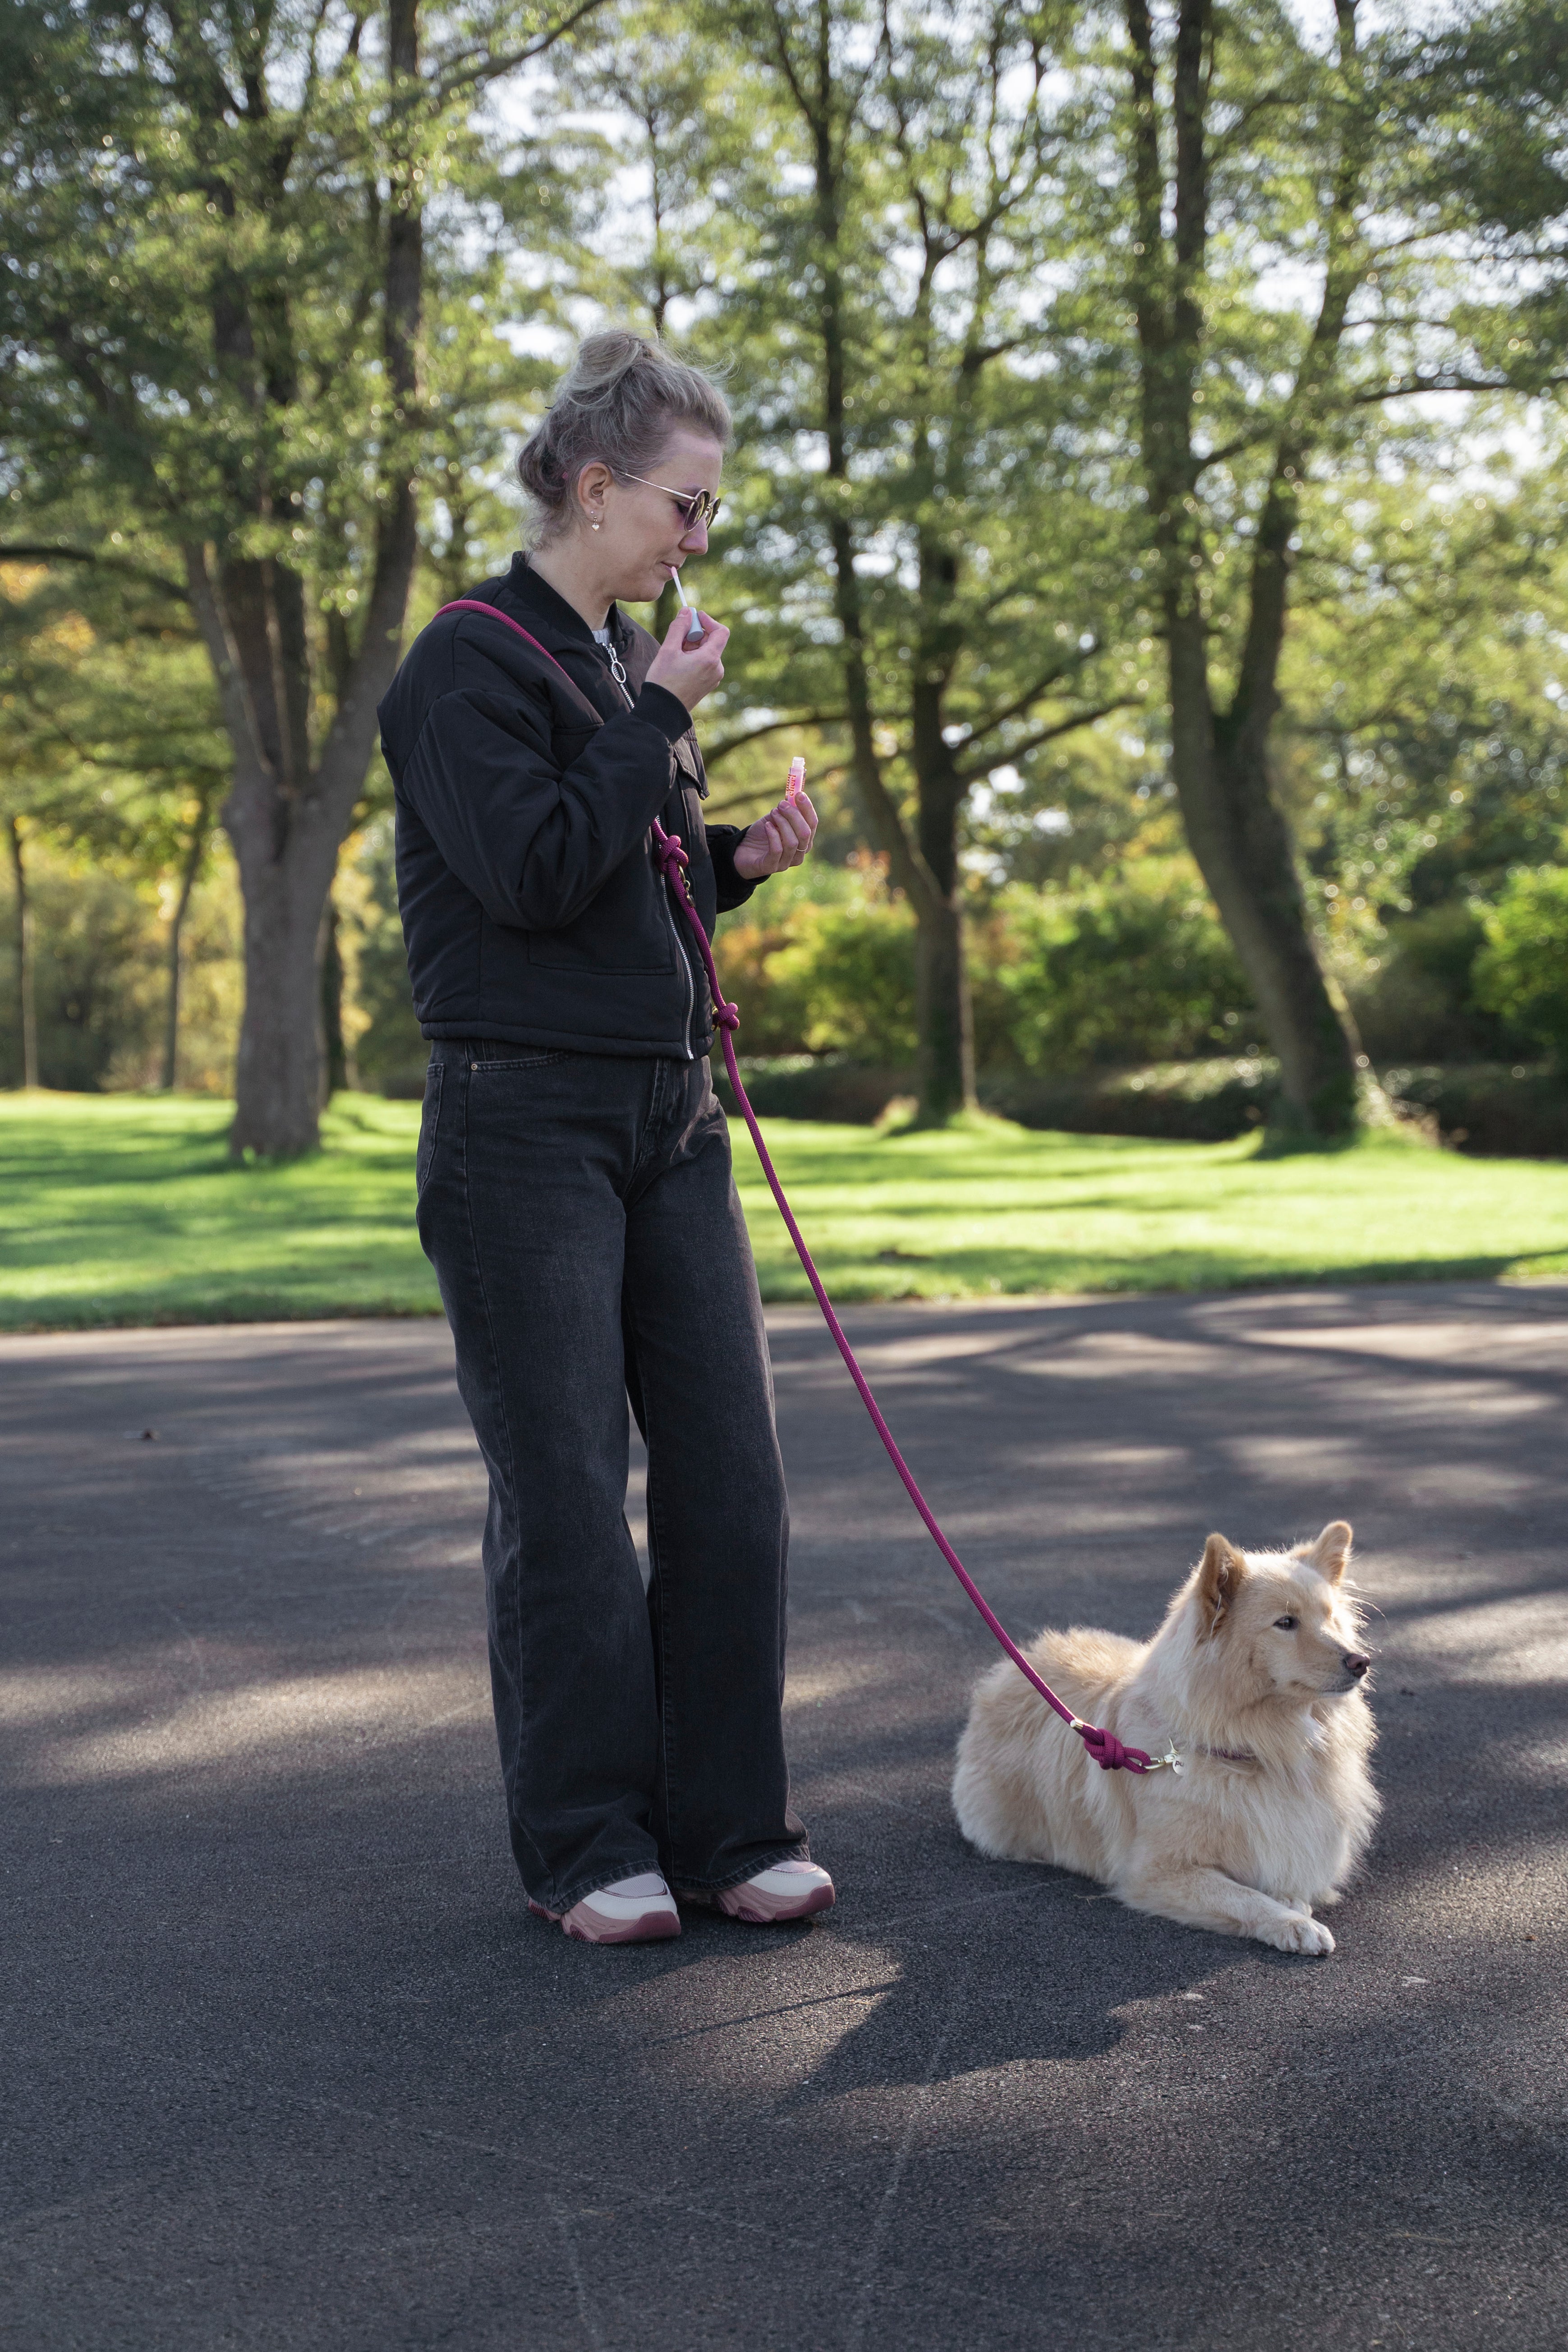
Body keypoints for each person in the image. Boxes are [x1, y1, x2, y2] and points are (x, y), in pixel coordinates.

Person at [377, 332, 831, 1944]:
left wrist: (737, 860)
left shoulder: (616, 673)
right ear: (593, 486)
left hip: (669, 1115)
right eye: (682, 509)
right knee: (568, 1489)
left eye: (707, 515)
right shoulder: (466, 663)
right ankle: (589, 1844)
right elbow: (531, 878)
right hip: (520, 1126)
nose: (694, 543)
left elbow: (627, 885)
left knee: (731, 1476)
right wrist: (655, 713)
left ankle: (725, 1826)